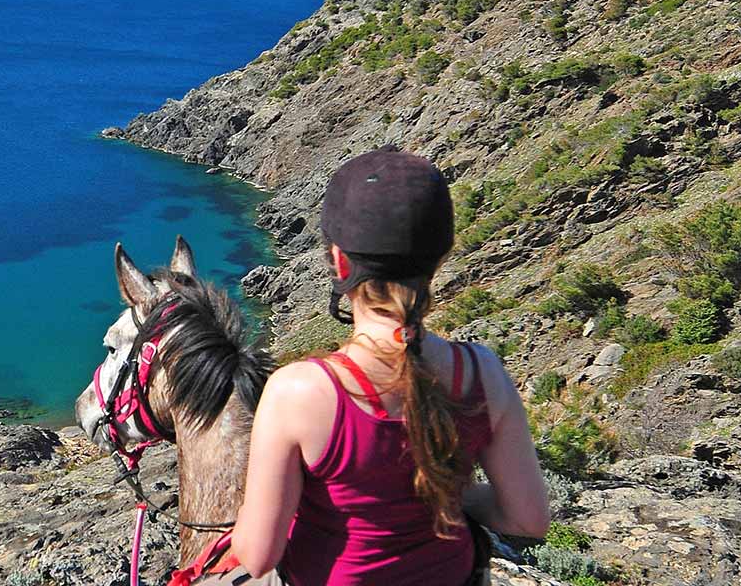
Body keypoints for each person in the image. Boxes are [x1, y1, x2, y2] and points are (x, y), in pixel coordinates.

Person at [227, 147, 550, 585]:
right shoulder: (482, 371)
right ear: (441, 257)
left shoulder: (298, 391)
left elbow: (258, 554)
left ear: (340, 261)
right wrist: (450, 492)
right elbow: (528, 519)